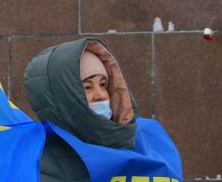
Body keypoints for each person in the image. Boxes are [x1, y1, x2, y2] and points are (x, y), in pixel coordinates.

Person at [23, 37, 181, 181]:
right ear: (63, 97)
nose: (100, 95)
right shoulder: (43, 159)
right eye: (87, 87)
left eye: (103, 85)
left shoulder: (146, 137)